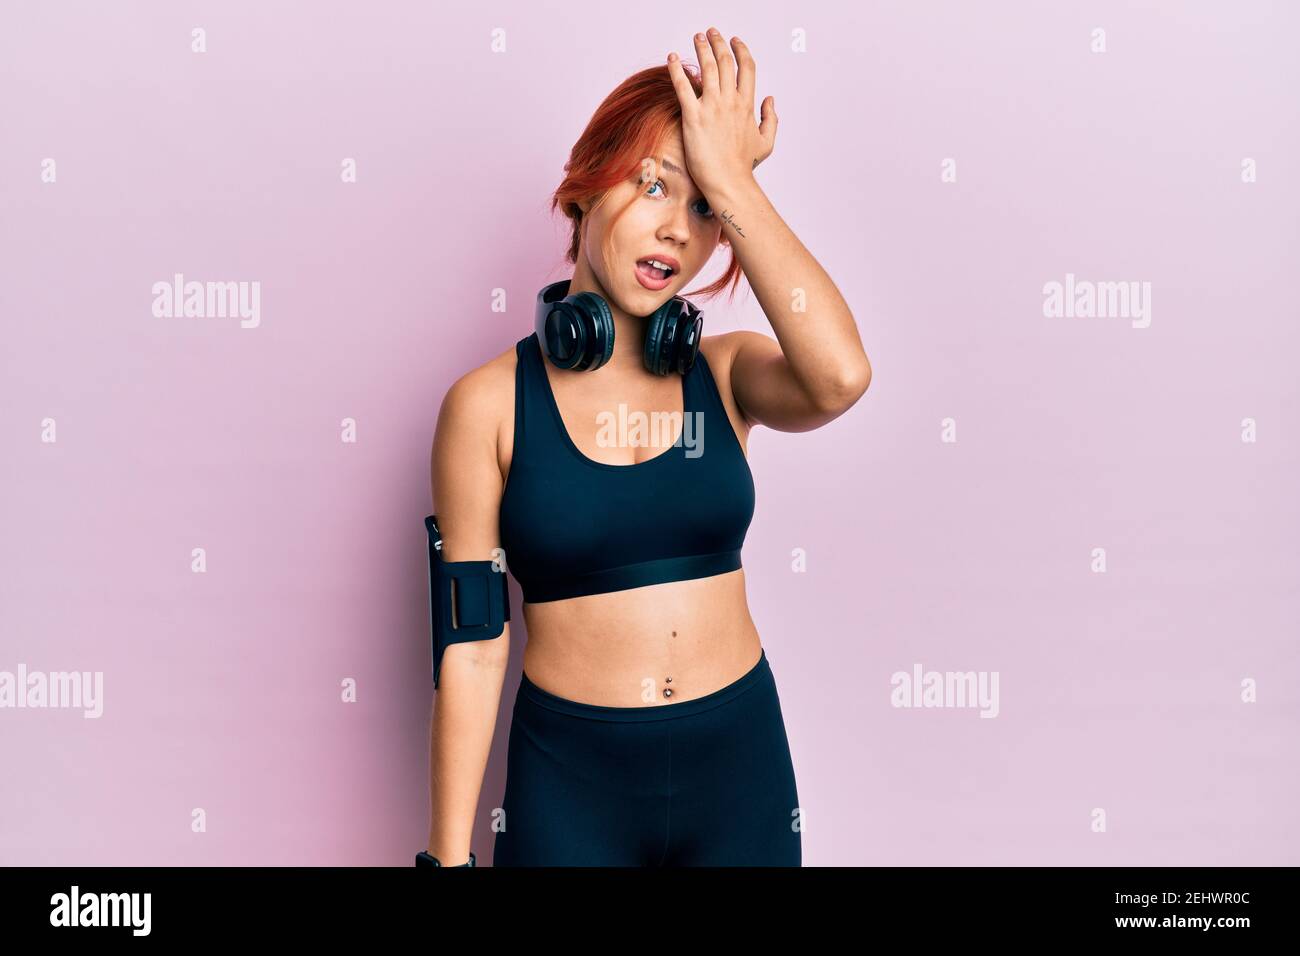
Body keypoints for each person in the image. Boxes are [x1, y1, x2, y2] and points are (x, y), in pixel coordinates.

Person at [424, 27, 871, 867]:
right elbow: (473, 648)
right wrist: (444, 864)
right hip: (571, 788)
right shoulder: (486, 407)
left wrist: (733, 180)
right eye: (653, 186)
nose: (676, 230)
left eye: (702, 210)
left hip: (740, 771)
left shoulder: (727, 374)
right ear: (582, 192)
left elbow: (840, 375)